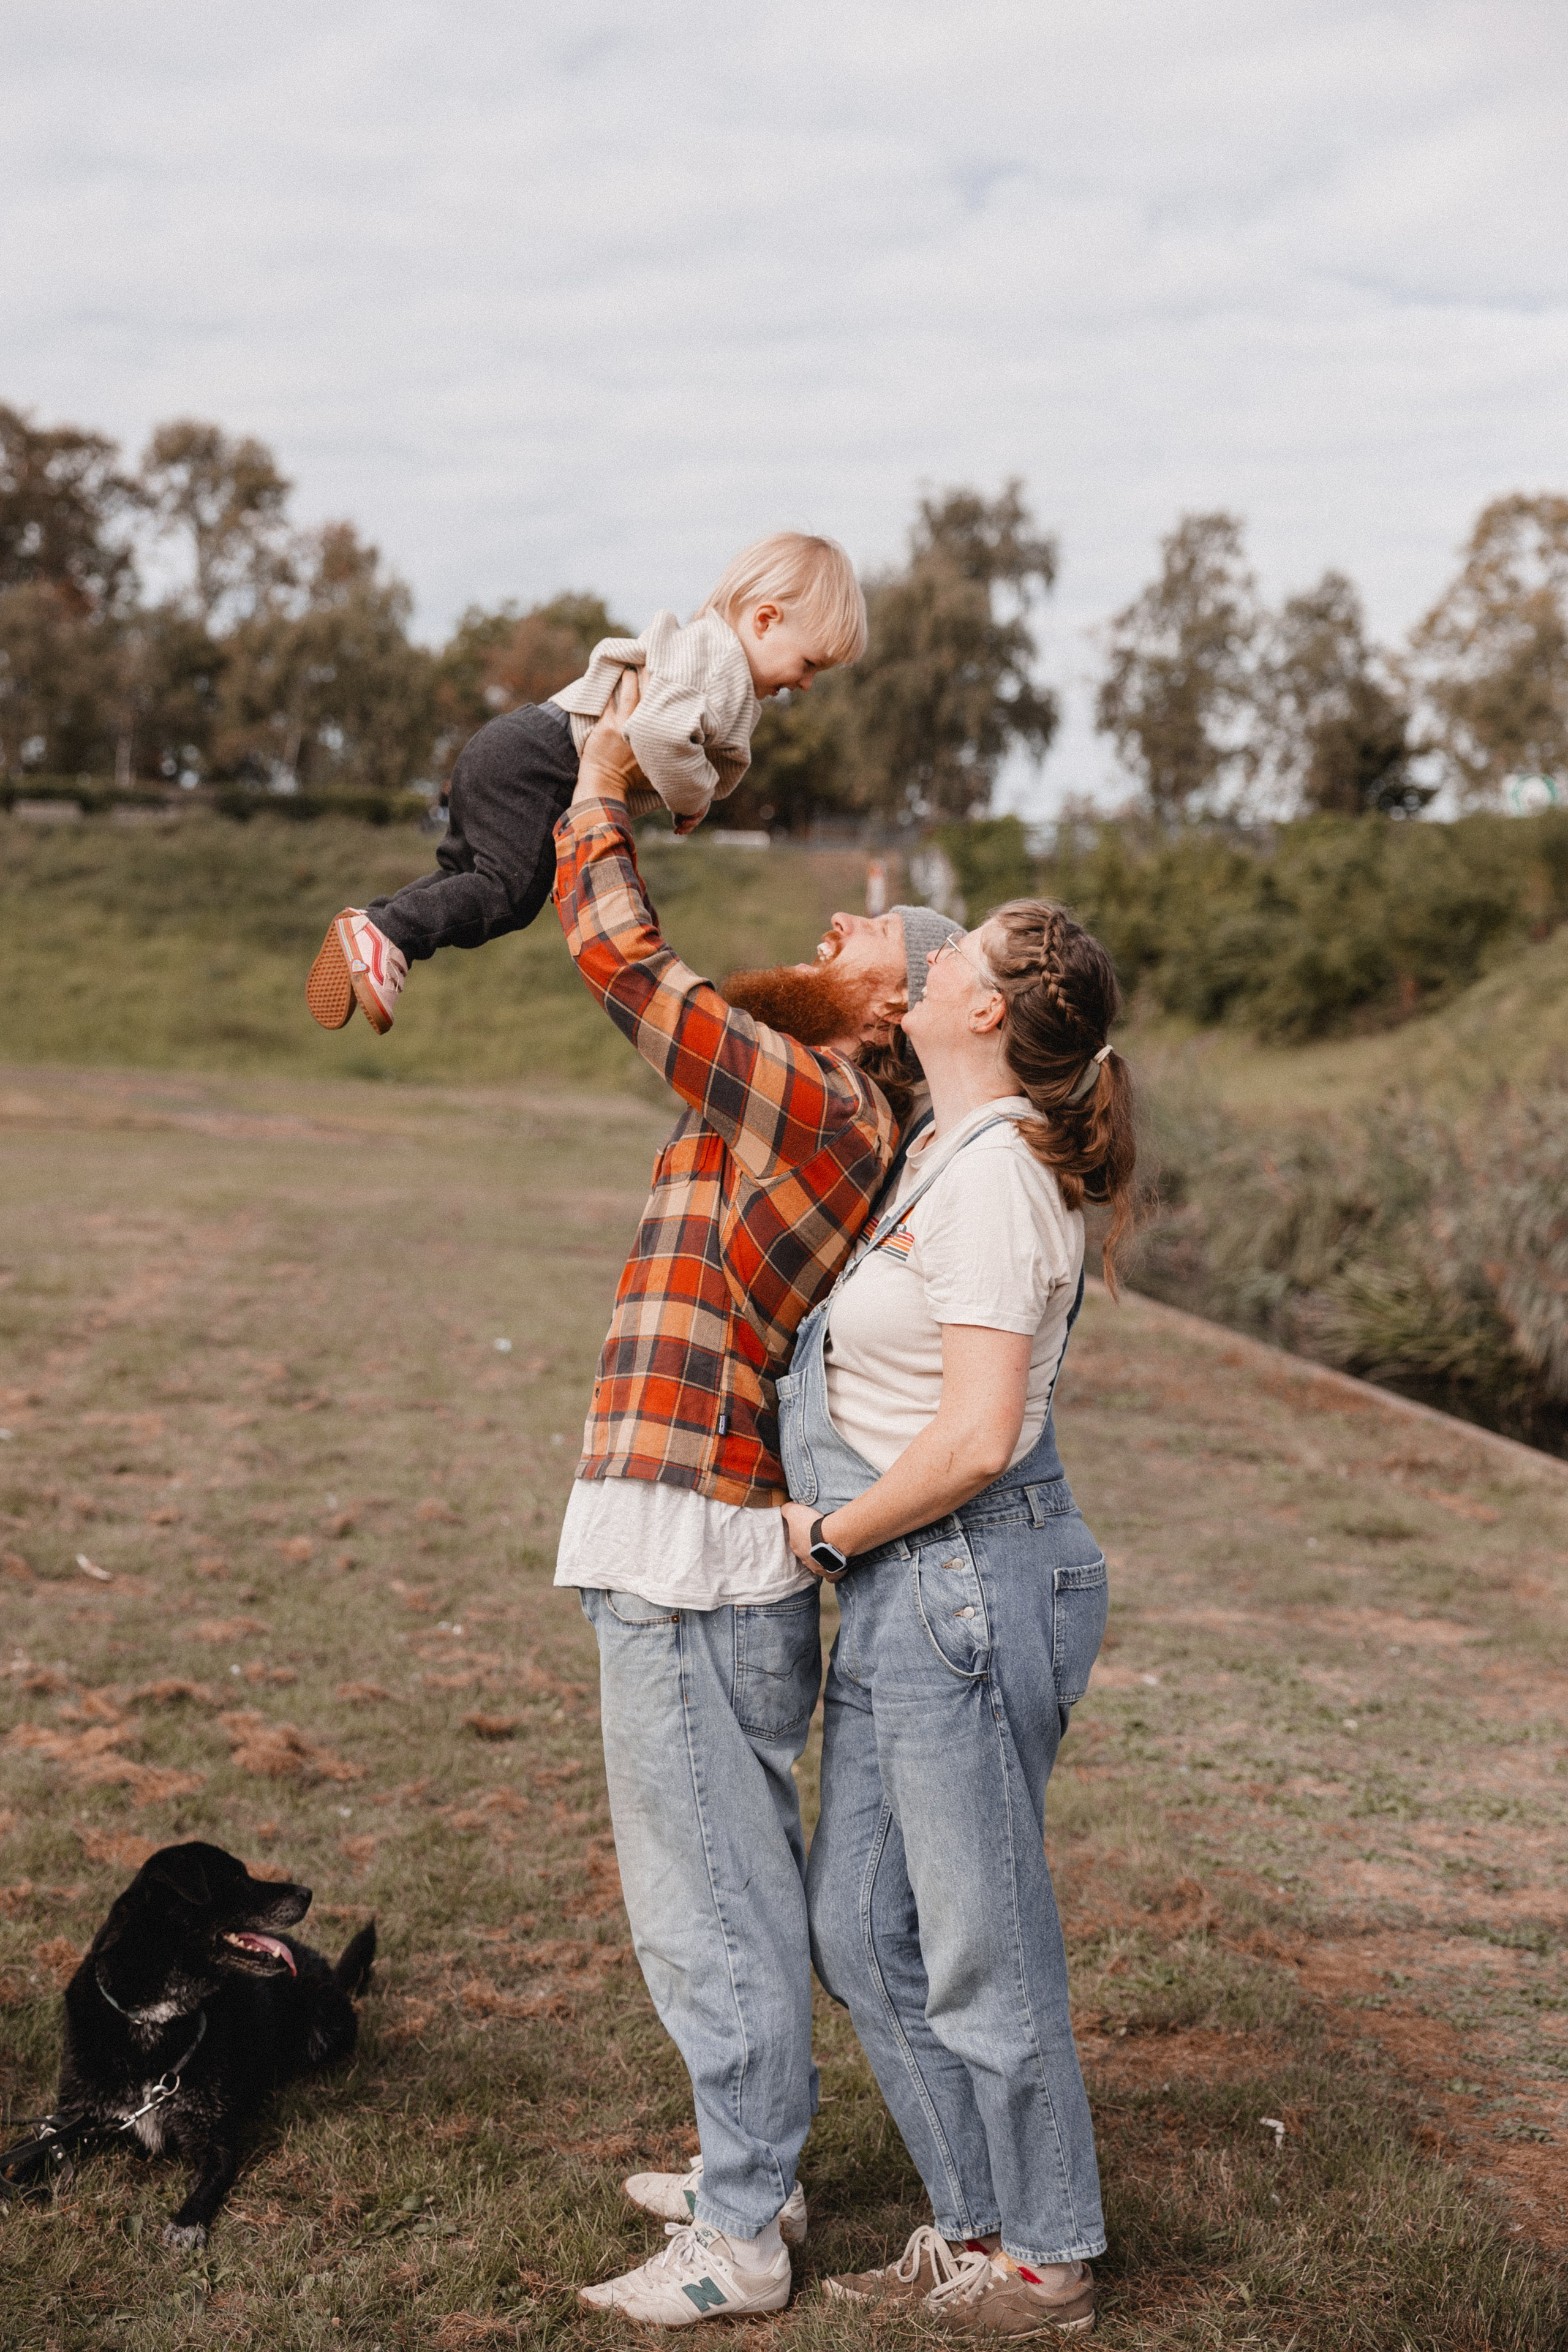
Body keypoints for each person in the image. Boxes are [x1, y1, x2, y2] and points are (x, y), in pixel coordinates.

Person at [551, 679, 962, 2325]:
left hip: (695, 1542)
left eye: (867, 932)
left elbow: (629, 970)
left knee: (708, 1896)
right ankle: (758, 2163)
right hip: (688, 1525)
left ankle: (739, 2238)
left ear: (900, 1005)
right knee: (724, 1877)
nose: (835, 920)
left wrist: (597, 797)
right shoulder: (815, 1090)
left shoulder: (822, 1100)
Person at [777, 901, 1137, 2340]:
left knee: (979, 1937)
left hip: (962, 1574)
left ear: (988, 1009)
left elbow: (980, 1433)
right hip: (912, 1583)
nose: (925, 956)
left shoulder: (991, 1181)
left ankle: (1045, 2257)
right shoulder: (944, 1142)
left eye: (957, 949)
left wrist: (822, 1531)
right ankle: (975, 2222)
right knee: (859, 1923)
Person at [303, 532, 867, 1035]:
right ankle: (391, 936)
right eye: (810, 663)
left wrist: (694, 781)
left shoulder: (704, 652)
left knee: (468, 877)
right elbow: (656, 734)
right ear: (765, 621)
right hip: (542, 765)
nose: (808, 684)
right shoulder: (722, 666)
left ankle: (375, 926)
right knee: (510, 895)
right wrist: (693, 793)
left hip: (515, 745)